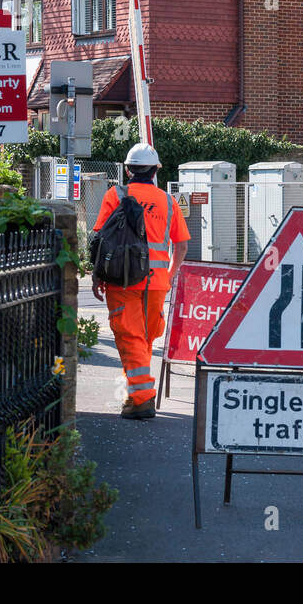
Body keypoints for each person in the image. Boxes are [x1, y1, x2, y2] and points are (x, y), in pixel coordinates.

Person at [91, 143, 189, 420]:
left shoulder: (116, 194)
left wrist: (97, 274)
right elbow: (180, 246)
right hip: (156, 282)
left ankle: (143, 398)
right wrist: (169, 275)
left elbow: (100, 238)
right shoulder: (168, 201)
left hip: (121, 279)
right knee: (144, 337)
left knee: (129, 336)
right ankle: (134, 395)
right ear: (156, 170)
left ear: (127, 169)